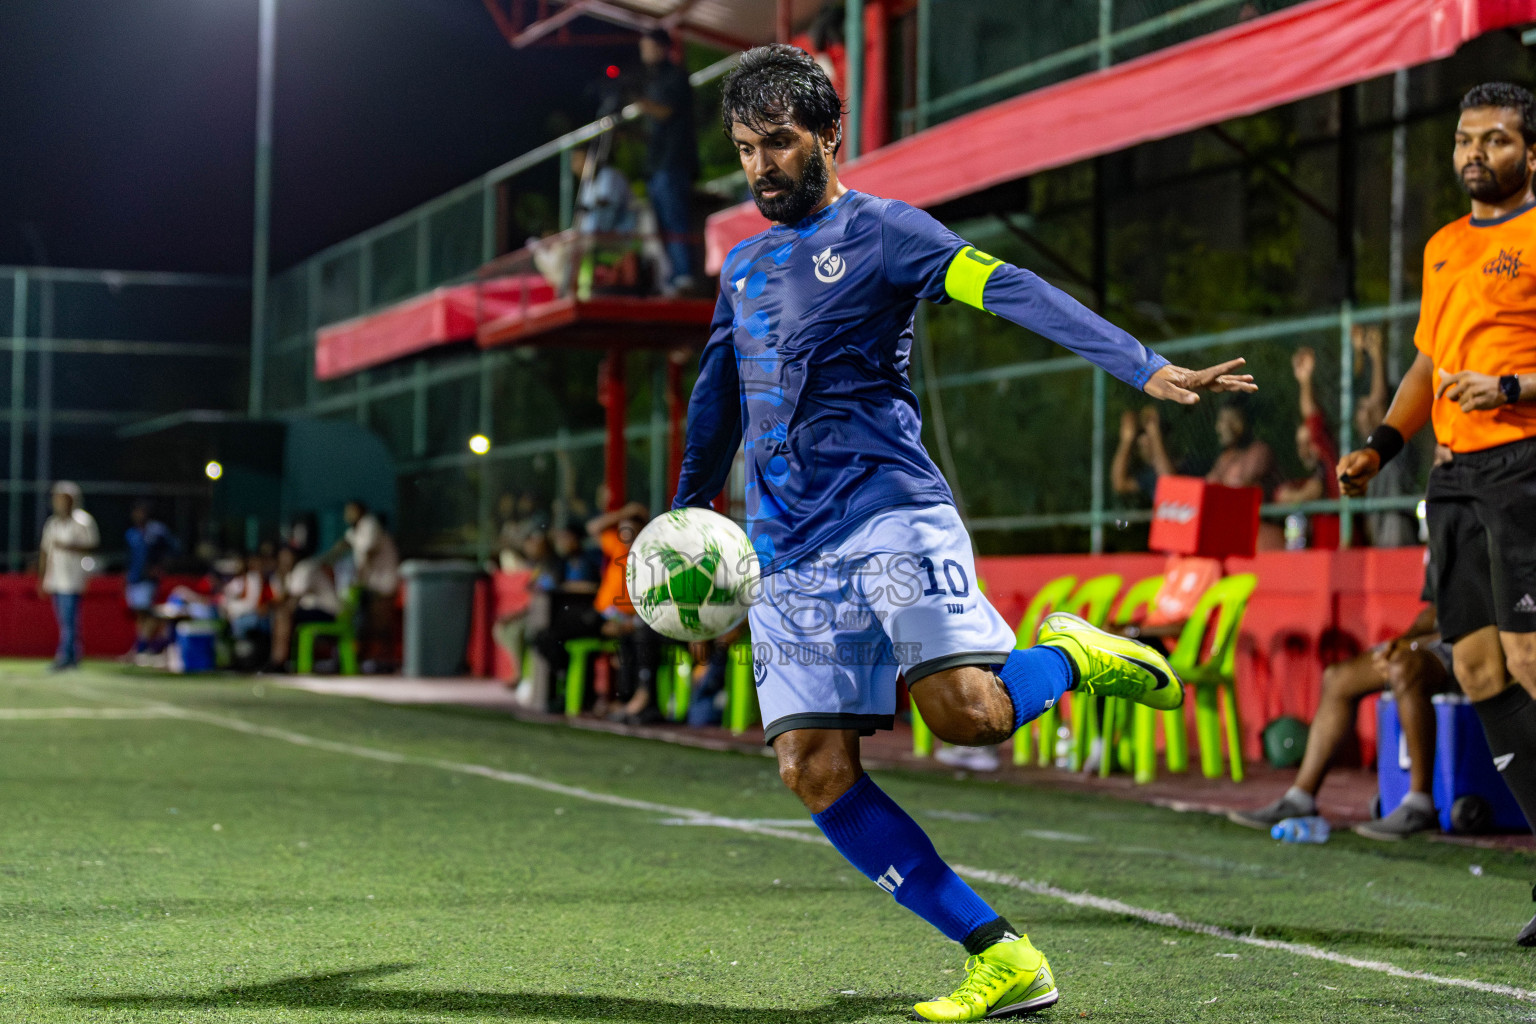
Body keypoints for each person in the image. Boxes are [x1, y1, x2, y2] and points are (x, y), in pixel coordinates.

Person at [675, 45, 1256, 1020]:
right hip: (785, 546)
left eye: (778, 142)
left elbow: (1014, 288)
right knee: (811, 767)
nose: (761, 166)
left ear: (828, 133)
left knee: (966, 717)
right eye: (744, 149)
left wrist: (1140, 365)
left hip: (889, 511)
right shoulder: (741, 265)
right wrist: (687, 510)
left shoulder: (888, 233)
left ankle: (1067, 657)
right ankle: (1004, 954)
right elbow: (716, 396)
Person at [1337, 82, 1536, 947]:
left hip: (1525, 465)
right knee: (1480, 668)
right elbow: (1426, 364)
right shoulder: (1444, 246)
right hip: (1452, 480)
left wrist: (1512, 388)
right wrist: (1381, 446)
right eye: (1464, 139)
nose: (1473, 154)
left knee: (1530, 655)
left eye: (1494, 140)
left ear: (1530, 152)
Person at [1228, 576, 1454, 839]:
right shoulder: (1442, 540)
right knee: (1337, 678)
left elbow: (1484, 614)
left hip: (1476, 643)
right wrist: (1403, 641)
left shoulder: (1481, 536)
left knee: (1405, 666)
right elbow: (1435, 609)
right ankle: (1300, 799)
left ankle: (1419, 804)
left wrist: (1414, 646)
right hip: (1438, 638)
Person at [587, 501, 662, 724]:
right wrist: (623, 512)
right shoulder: (617, 546)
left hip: (638, 620)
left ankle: (634, 698)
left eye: (632, 530)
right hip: (606, 614)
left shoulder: (652, 557)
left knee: (634, 638)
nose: (626, 534)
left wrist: (631, 621)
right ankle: (614, 698)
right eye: (623, 529)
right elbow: (592, 528)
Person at [635, 28, 698, 294]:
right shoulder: (654, 80)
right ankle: (672, 279)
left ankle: (685, 276)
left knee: (676, 221)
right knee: (662, 224)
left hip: (673, 163)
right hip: (657, 165)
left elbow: (666, 111)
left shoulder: (675, 76)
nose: (643, 52)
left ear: (662, 47)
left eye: (648, 46)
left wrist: (638, 103)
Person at [1352, 325, 1419, 547]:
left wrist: (1376, 356)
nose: (1365, 412)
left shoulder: (1393, 440)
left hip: (1397, 521)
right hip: (1378, 525)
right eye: (1361, 410)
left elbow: (1379, 406)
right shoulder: (1364, 450)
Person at [1273, 346, 1340, 548]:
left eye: (1309, 442)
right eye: (1299, 445)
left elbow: (1312, 418)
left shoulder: (1330, 464)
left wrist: (1305, 381)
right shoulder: (1310, 478)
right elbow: (1282, 495)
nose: (1304, 450)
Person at [329, 500, 400, 673]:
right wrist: (324, 560)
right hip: (370, 584)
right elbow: (342, 545)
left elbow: (367, 551)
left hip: (383, 583)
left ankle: (385, 662)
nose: (347, 515)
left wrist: (357, 578)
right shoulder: (355, 530)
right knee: (363, 623)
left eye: (350, 511)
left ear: (360, 511)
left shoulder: (370, 523)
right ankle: (362, 660)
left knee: (380, 623)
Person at [37, 481, 99, 672]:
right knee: (65, 621)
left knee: (70, 621)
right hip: (56, 579)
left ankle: (66, 657)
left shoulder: (83, 521)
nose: (58, 502)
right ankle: (72, 657)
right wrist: (41, 578)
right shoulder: (52, 524)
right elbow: (44, 552)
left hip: (74, 579)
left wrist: (69, 546)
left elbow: (93, 545)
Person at [268, 545, 340, 670]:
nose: (284, 560)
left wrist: (282, 611)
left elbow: (293, 600)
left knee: (283, 615)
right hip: (308, 610)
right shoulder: (287, 573)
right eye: (281, 557)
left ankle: (279, 661)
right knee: (280, 615)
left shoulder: (305, 567)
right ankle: (278, 660)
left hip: (327, 612)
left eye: (287, 556)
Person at [124, 501, 178, 656]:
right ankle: (144, 646)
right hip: (134, 578)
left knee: (148, 612)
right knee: (140, 615)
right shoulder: (131, 533)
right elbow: (128, 558)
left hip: (149, 580)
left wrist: (160, 567)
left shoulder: (157, 531)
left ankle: (141, 647)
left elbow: (173, 549)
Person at [1110, 406, 1177, 504]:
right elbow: (1119, 484)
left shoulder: (1188, 466)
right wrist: (1127, 440)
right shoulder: (1151, 475)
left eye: (1149, 445)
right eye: (1140, 447)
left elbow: (1168, 482)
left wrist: (1154, 433)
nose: (1143, 450)